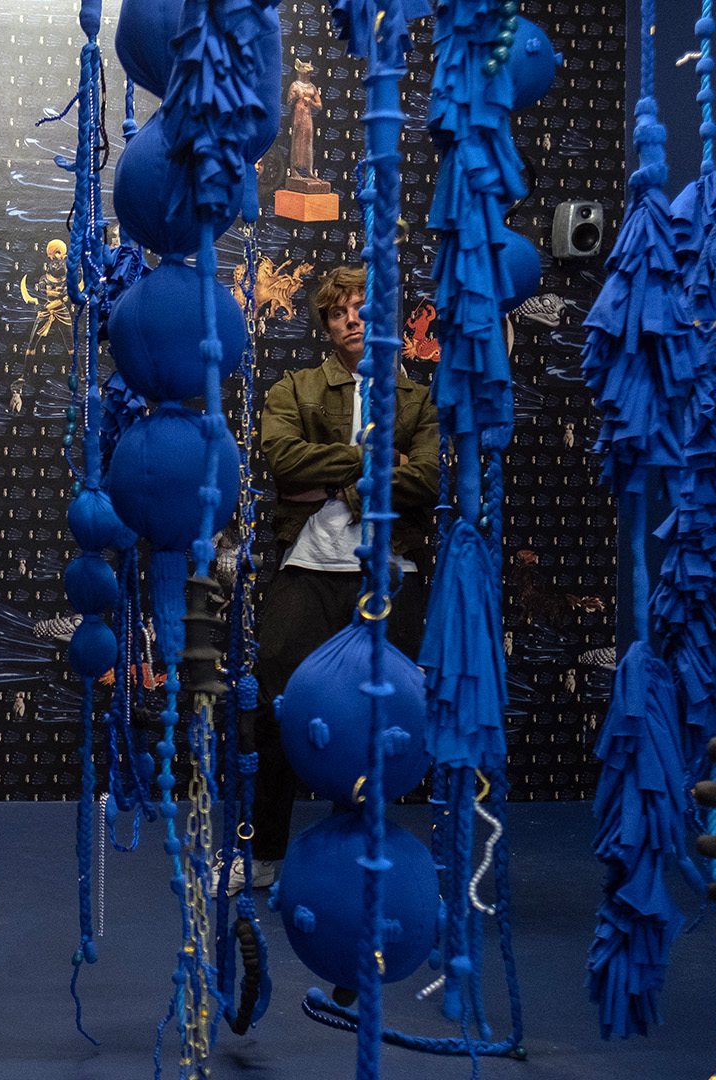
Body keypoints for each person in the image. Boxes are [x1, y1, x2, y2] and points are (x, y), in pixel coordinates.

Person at [239, 265, 441, 893]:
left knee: (380, 721)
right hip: (307, 567)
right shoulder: (294, 388)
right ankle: (264, 854)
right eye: (338, 312)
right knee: (275, 713)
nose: (352, 320)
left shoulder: (420, 400)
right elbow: (282, 460)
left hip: (392, 574)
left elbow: (429, 481)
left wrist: (332, 482)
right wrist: (376, 464)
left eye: (363, 308)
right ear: (325, 325)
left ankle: (357, 856)